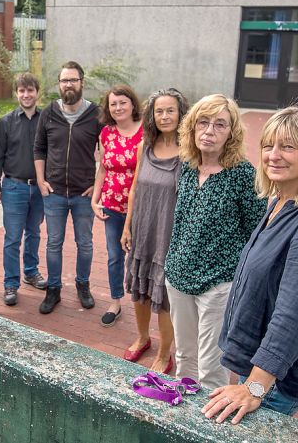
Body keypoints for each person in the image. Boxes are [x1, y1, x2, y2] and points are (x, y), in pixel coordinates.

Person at [203, 105, 298, 424]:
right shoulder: (281, 202)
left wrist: (254, 388)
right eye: (268, 145)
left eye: (288, 146)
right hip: (256, 370)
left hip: (275, 383)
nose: (273, 155)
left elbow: (294, 316)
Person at [164, 94, 266, 389]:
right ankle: (181, 419)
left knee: (211, 366)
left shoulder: (243, 175)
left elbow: (255, 232)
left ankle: (208, 426)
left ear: (231, 133)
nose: (209, 131)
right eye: (203, 122)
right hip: (179, 276)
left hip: (218, 284)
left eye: (220, 125)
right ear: (192, 128)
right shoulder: (187, 165)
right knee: (184, 357)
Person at [119, 88, 188, 373]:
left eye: (170, 110)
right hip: (142, 229)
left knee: (164, 297)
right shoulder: (144, 146)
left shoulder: (188, 154)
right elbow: (134, 188)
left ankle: (164, 353)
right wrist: (127, 226)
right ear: (151, 115)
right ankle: (143, 338)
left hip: (168, 234)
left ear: (181, 113)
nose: (164, 116)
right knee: (139, 289)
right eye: (159, 111)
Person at [33, 60, 104, 314]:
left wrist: (97, 185)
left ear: (82, 83)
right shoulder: (48, 113)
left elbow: (107, 154)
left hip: (84, 194)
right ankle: (54, 289)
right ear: (59, 84)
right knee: (54, 242)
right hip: (53, 194)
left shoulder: (96, 115)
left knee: (85, 243)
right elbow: (39, 148)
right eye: (64, 80)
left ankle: (82, 285)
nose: (69, 84)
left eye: (73, 80)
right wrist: (41, 180)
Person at [0, 73, 48, 306]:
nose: (26, 95)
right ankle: (11, 283)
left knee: (34, 232)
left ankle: (31, 272)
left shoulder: (47, 119)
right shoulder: (5, 122)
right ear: (16, 93)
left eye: (30, 90)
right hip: (14, 186)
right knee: (12, 237)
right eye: (22, 91)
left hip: (40, 188)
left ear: (37, 92)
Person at [91, 84, 143, 326]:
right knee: (114, 256)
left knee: (139, 255)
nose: (118, 107)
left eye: (123, 102)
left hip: (141, 208)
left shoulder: (146, 132)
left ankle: (142, 302)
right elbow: (103, 168)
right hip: (111, 205)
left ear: (132, 104)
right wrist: (95, 198)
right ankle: (115, 301)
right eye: (113, 104)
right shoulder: (106, 134)